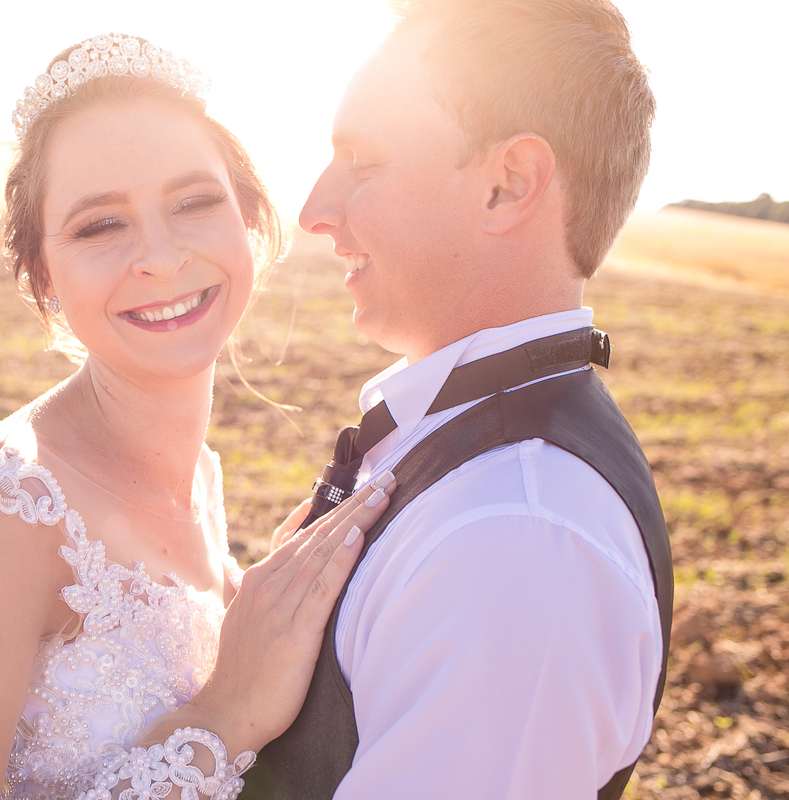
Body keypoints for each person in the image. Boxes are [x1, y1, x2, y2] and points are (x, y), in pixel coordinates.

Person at [0, 34, 395, 800]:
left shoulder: (201, 477)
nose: (161, 256)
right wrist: (225, 712)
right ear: (43, 277)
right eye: (100, 225)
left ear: (249, 220)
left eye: (194, 203)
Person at [244, 2, 673, 799]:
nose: (313, 211)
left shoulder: (517, 537)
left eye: (363, 160)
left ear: (508, 187)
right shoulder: (479, 459)